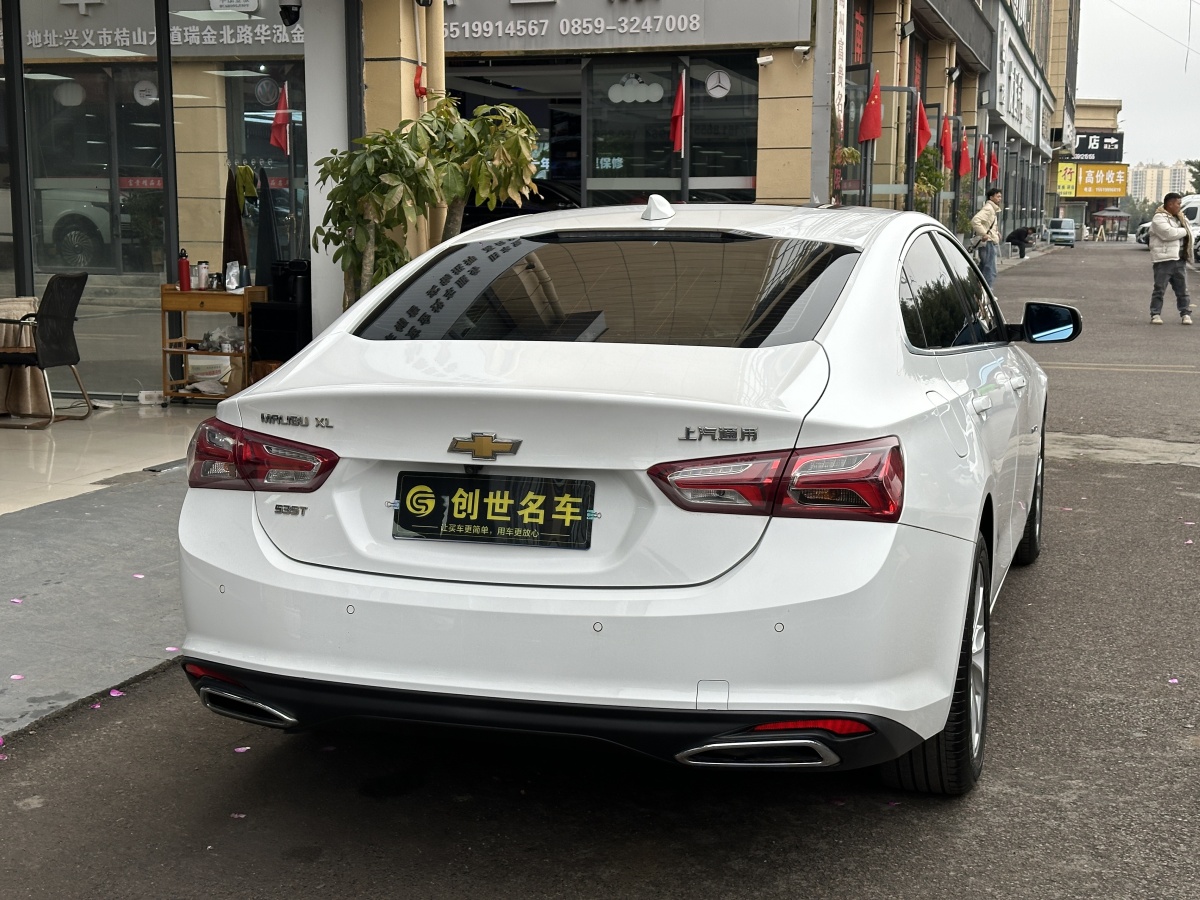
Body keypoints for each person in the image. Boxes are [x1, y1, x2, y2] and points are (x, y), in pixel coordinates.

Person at [1148, 191, 1193, 325]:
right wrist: (1184, 231)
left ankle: (1185, 314)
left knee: (1182, 290)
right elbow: (1169, 234)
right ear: (1170, 204)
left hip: (1179, 259)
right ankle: (1155, 314)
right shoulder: (1159, 218)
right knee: (1159, 289)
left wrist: (1184, 230)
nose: (1180, 206)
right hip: (1164, 260)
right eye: (1178, 203)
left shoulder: (1181, 217)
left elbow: (1187, 231)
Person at [970, 188, 1003, 288]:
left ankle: (976, 287)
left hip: (989, 241)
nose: (1000, 199)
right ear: (991, 197)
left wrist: (996, 232)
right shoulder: (989, 209)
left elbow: (988, 224)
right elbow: (975, 221)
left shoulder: (992, 209)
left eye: (1000, 197)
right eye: (998, 196)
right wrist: (984, 234)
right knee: (990, 269)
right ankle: (988, 290)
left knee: (984, 266)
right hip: (988, 242)